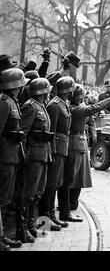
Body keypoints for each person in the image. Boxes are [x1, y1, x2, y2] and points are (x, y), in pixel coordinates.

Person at [57, 84, 110, 222]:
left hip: (78, 142)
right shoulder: (75, 108)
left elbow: (91, 118)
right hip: (74, 143)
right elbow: (94, 108)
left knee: (75, 178)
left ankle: (69, 206)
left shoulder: (74, 106)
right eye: (81, 95)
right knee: (69, 179)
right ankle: (65, 210)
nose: (83, 97)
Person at [38, 76, 76, 231]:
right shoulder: (54, 105)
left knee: (56, 183)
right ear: (68, 90)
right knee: (50, 185)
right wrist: (52, 152)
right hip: (55, 150)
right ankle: (45, 220)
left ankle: (52, 215)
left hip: (62, 148)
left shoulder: (62, 104)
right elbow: (51, 131)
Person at [20, 78, 53, 240]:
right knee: (29, 193)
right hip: (33, 156)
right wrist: (25, 155)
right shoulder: (31, 107)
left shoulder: (42, 106)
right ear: (43, 92)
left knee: (38, 192)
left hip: (43, 154)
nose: (49, 94)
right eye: (47, 91)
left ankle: (31, 225)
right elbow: (23, 134)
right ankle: (24, 227)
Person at [0, 68, 27, 250]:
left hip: (12, 156)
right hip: (4, 156)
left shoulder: (13, 102)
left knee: (6, 197)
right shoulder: (4, 102)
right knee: (1, 197)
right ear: (16, 85)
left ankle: (2, 235)